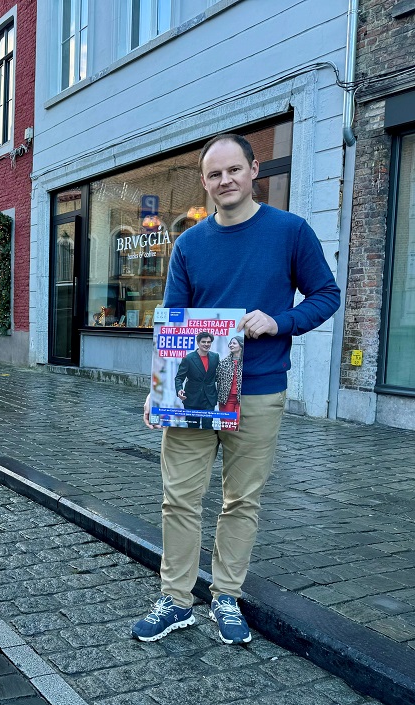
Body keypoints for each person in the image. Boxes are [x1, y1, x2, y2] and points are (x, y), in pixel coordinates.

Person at [134, 134, 340, 645]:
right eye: (215, 174)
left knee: (241, 501)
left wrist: (280, 321)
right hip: (194, 398)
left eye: (234, 170)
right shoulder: (189, 244)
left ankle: (226, 595)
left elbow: (326, 294)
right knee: (179, 499)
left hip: (258, 390)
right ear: (204, 182)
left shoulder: (290, 231)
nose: (225, 180)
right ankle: (176, 600)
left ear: (253, 171)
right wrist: (158, 388)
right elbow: (174, 321)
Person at [174, 331, 219, 428]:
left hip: (209, 398)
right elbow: (179, 377)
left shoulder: (215, 357)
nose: (206, 344)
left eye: (208, 342)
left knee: (208, 427)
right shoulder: (188, 358)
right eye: (203, 342)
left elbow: (218, 376)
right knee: (193, 427)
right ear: (198, 343)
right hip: (192, 398)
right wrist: (179, 390)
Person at [215, 336, 244, 427]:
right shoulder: (223, 363)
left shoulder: (247, 363)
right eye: (230, 343)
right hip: (226, 399)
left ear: (241, 346)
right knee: (227, 424)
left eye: (234, 343)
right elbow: (216, 378)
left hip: (243, 398)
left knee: (240, 423)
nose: (231, 345)